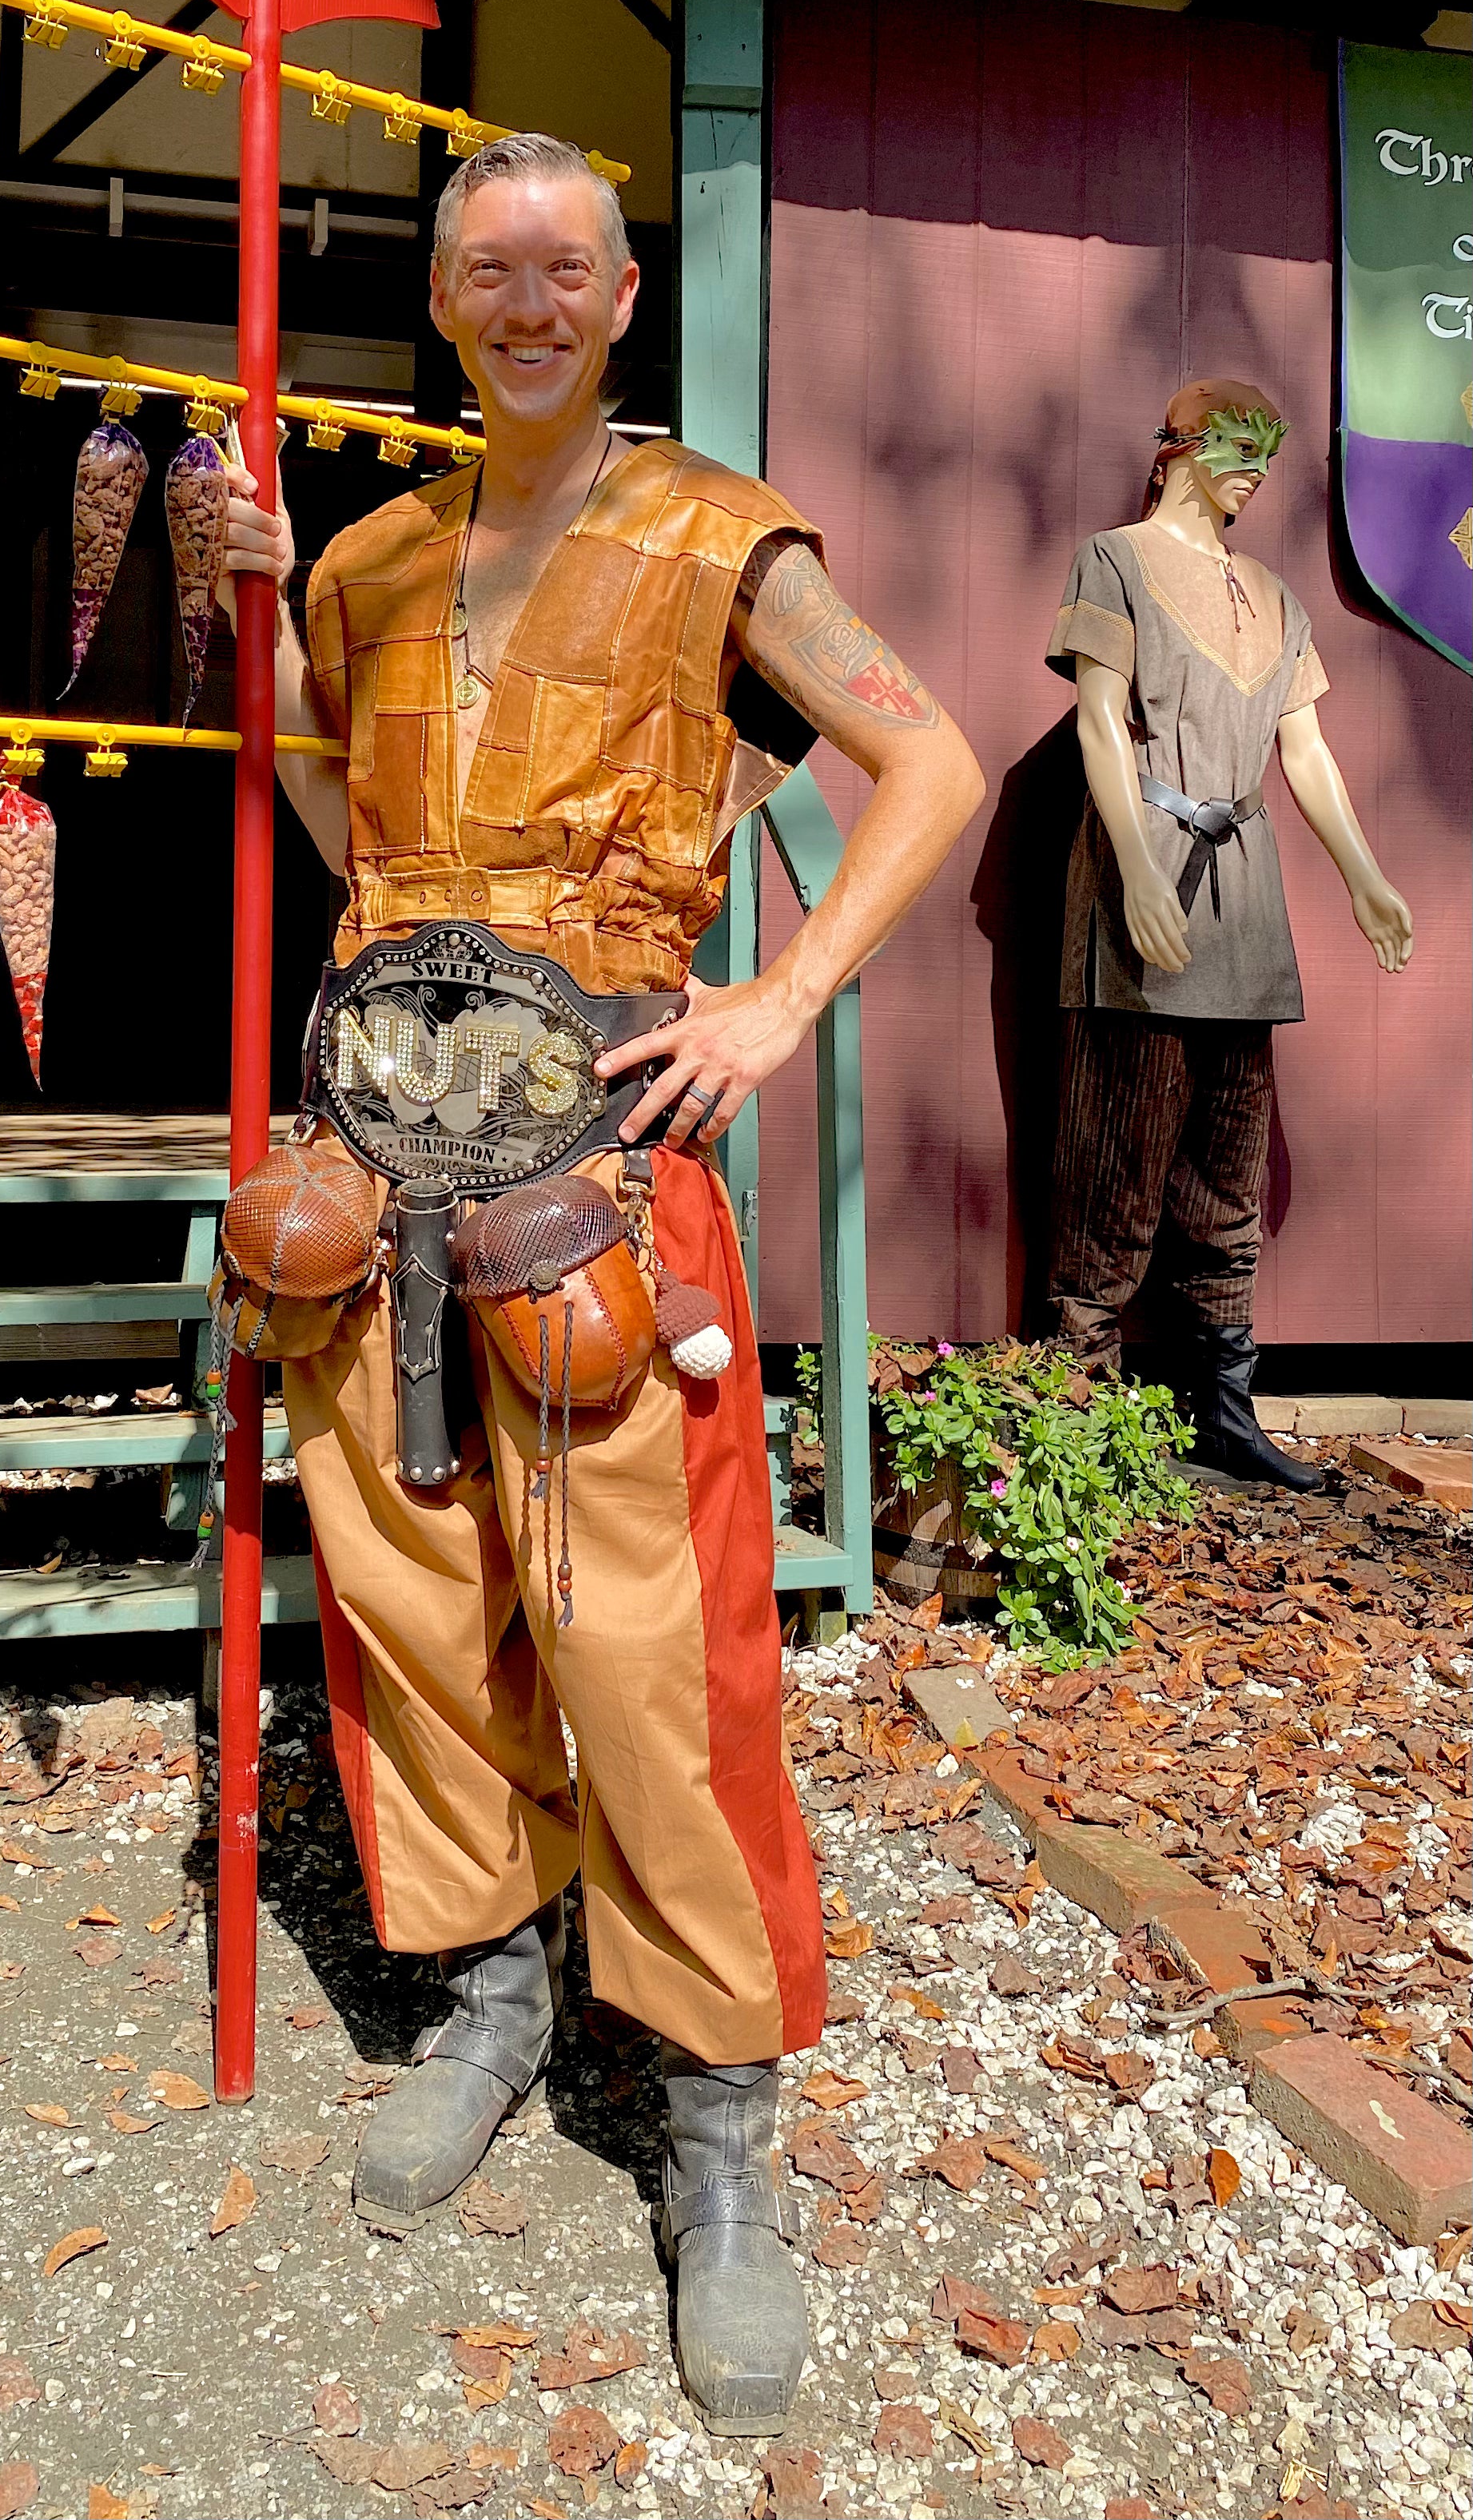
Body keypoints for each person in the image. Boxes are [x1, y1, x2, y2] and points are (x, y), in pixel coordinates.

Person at [218, 133, 981, 2435]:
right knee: (417, 1614)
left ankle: (722, 2131)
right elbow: (344, 816)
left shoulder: (715, 537)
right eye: (485, 270)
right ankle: (482, 1999)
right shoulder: (359, 557)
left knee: (655, 1655)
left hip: (595, 1180)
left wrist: (776, 1000)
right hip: (372, 1164)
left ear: (621, 292)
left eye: (564, 266)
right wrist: (252, 614)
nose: (525, 300)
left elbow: (929, 756)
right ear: (439, 303)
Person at [1045, 376, 1413, 1484]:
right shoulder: (1113, 561)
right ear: (1181, 449)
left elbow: (1304, 749)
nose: (1257, 467)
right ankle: (1082, 1435)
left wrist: (1365, 874)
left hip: (1246, 902)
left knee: (1227, 1165)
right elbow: (1100, 723)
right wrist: (1133, 867)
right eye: (1238, 446)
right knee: (1115, 1164)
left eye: (1270, 451)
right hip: (1144, 875)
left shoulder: (1274, 593)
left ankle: (1223, 1414)